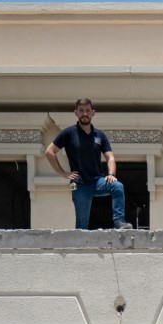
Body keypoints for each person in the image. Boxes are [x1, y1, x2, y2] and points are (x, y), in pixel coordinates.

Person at [45, 99, 131, 231]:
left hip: (98, 181)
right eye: (81, 110)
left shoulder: (100, 135)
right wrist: (62, 173)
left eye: (87, 110)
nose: (84, 113)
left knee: (117, 186)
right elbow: (50, 152)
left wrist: (111, 174)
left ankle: (119, 222)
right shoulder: (69, 133)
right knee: (82, 226)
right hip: (79, 184)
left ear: (93, 113)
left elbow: (110, 157)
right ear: (76, 113)